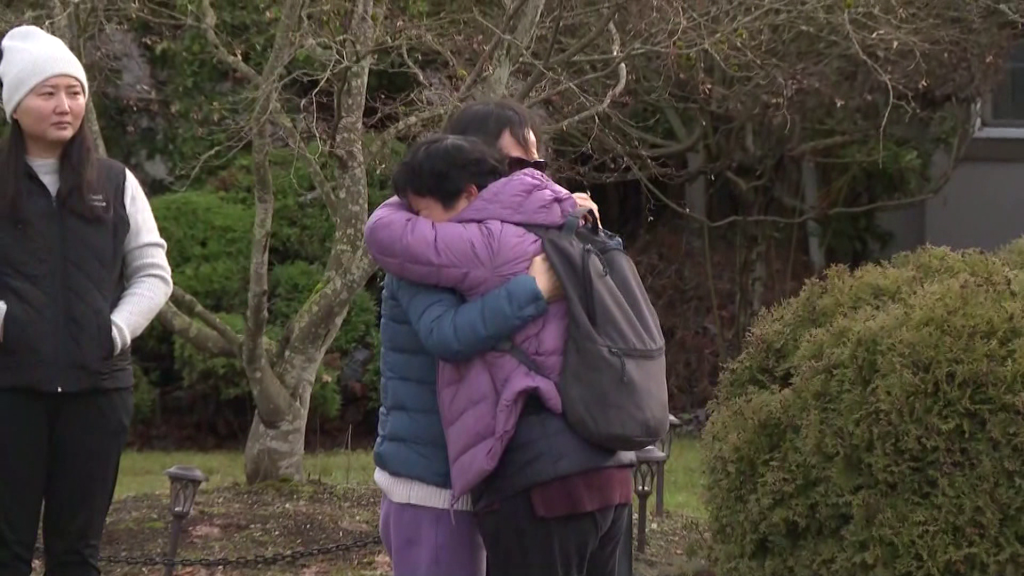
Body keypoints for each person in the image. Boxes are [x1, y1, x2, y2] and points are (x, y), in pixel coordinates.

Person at [364, 129, 634, 576]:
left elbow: (389, 231)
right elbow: (448, 332)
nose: (417, 220)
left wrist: (536, 281)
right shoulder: (427, 255)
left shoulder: (479, 244)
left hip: (494, 478)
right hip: (446, 480)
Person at [0, 25, 173, 575]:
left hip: (97, 395)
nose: (63, 106)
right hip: (11, 393)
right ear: (15, 107)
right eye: (46, 93)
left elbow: (153, 273)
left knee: (77, 554)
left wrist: (115, 330)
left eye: (73, 92)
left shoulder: (115, 183)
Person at [373, 241, 564, 576]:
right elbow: (450, 334)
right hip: (433, 494)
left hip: (457, 488)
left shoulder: (451, 242)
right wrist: (532, 290)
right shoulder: (417, 250)